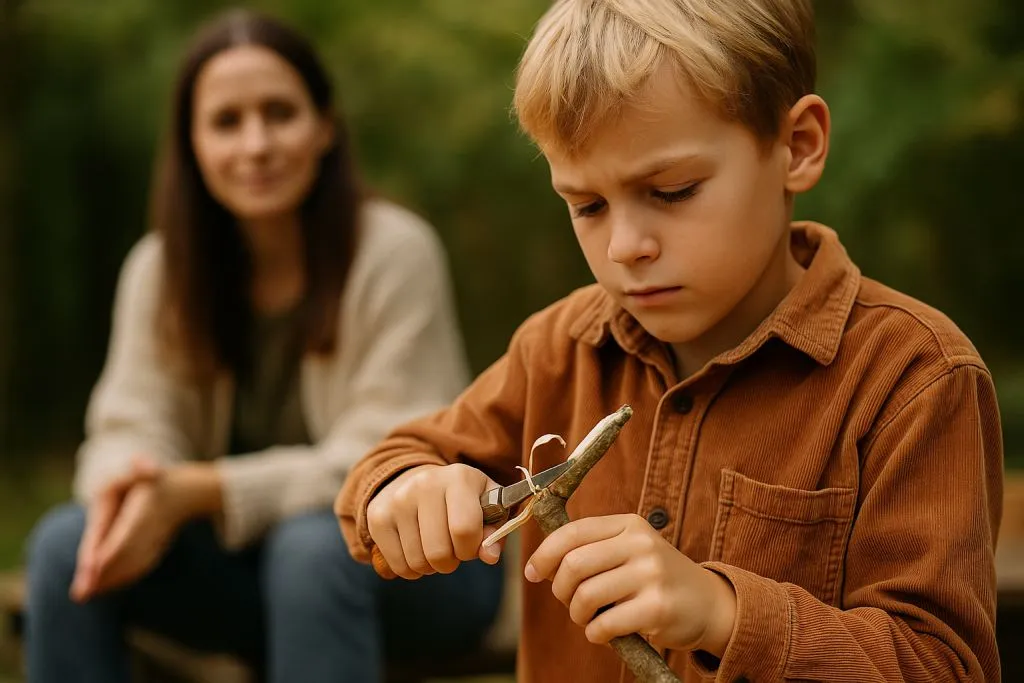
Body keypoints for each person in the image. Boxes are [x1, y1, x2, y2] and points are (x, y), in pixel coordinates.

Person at [335, 0, 1004, 681]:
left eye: (673, 190)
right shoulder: (557, 348)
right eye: (587, 206)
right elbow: (387, 468)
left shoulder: (915, 376)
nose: (626, 246)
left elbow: (942, 664)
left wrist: (725, 611)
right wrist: (407, 487)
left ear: (797, 145)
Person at [24, 8, 503, 683]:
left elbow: (389, 455)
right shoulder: (160, 269)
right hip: (253, 577)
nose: (255, 145)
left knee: (312, 544)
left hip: (421, 563)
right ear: (191, 143)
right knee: (64, 542)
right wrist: (130, 491)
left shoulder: (394, 252)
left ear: (325, 126)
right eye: (226, 121)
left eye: (279, 113)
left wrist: (202, 490)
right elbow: (126, 426)